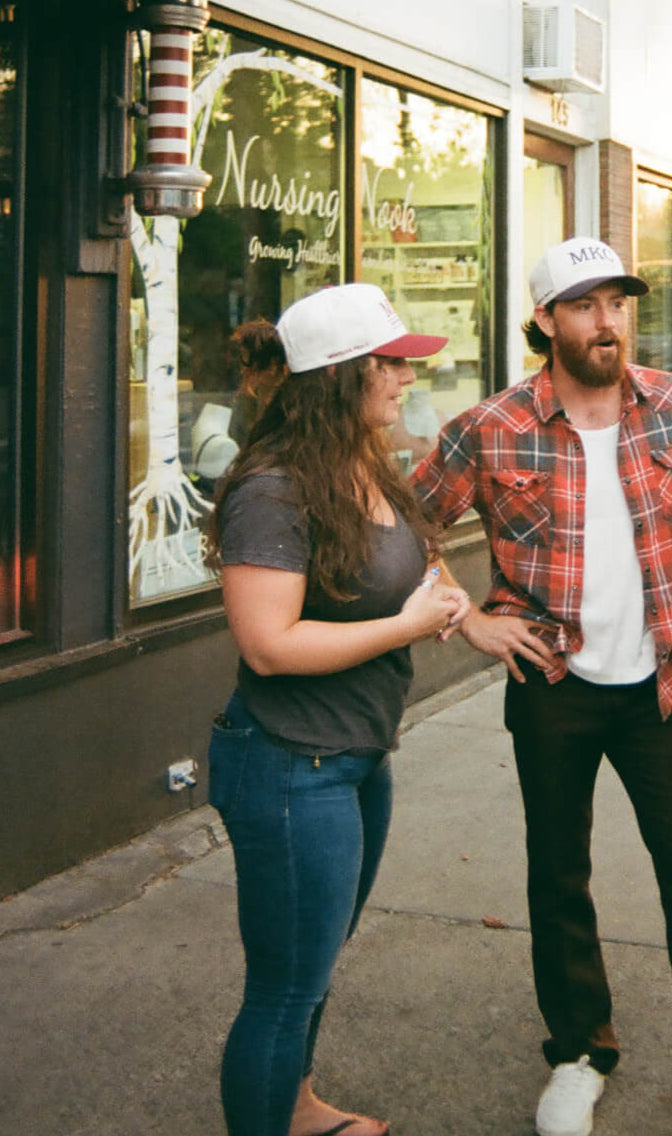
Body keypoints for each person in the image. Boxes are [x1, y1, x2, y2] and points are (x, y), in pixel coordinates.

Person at [411, 236, 672, 1136]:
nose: (606, 320)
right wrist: (468, 619)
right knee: (557, 872)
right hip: (551, 683)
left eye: (616, 301)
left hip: (658, 685)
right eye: (583, 304)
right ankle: (579, 1051)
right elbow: (400, 529)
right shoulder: (492, 425)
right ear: (546, 321)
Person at [202, 283, 471, 1136]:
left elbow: (410, 570)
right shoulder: (273, 491)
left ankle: (299, 1106)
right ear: (340, 375)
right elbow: (268, 643)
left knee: (313, 967)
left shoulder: (363, 468)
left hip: (355, 757)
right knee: (283, 989)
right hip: (289, 765)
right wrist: (404, 623)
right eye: (388, 364)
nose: (403, 379)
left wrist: (445, 602)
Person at [229, 317, 288, 447]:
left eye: (246, 358)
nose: (243, 369)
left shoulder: (290, 404)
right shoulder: (247, 398)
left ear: (272, 365)